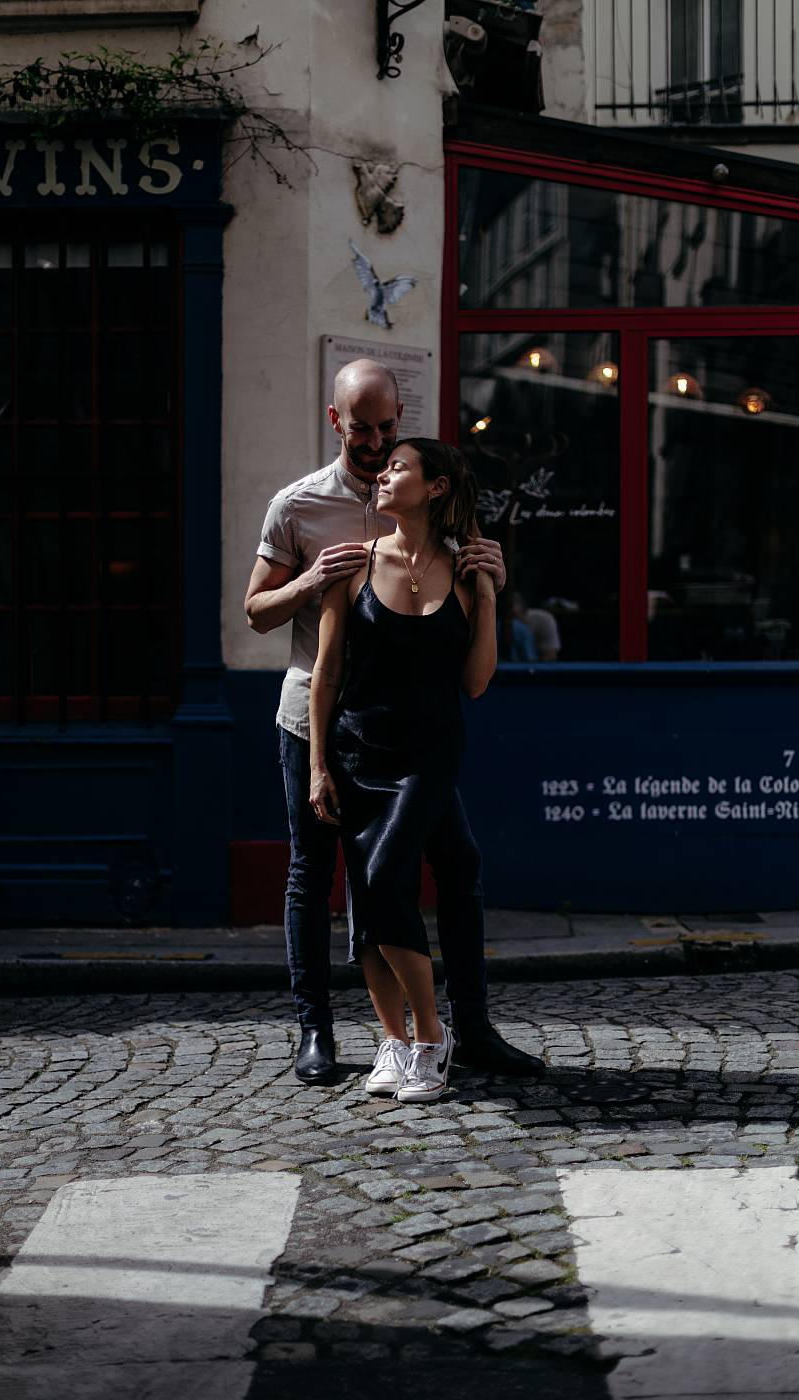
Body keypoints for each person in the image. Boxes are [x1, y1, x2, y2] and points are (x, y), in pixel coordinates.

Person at [245, 359, 544, 1084]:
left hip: (414, 729)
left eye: (388, 429)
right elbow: (255, 611)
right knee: (315, 873)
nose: (377, 445)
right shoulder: (298, 505)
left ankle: (467, 1028)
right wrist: (313, 581)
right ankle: (317, 1030)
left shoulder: (430, 493)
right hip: (317, 717)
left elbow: (468, 615)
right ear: (335, 422)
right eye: (363, 431)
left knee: (457, 866)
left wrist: (493, 576)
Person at [310, 439, 506, 1101]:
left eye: (399, 467)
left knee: (387, 873)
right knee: (369, 891)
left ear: (437, 488)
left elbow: (476, 683)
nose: (384, 474)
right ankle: (394, 1041)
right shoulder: (355, 564)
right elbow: (327, 671)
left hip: (429, 756)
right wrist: (317, 766)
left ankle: (431, 1035)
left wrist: (489, 598)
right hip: (359, 751)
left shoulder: (466, 569)